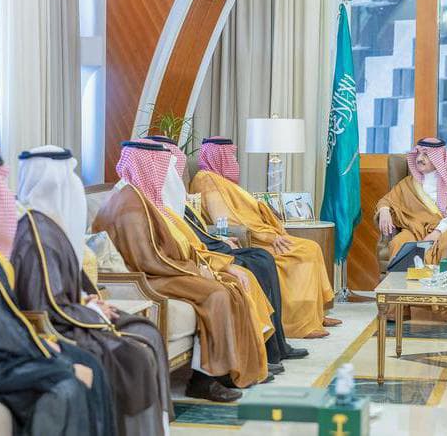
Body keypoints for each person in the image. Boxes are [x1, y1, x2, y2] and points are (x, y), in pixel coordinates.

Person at [92, 139, 272, 402]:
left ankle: (226, 368)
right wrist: (194, 271)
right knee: (216, 294)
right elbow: (147, 260)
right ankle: (203, 379)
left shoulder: (139, 198)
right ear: (146, 167)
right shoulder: (130, 205)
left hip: (159, 271)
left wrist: (199, 267)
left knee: (227, 286)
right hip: (146, 278)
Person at [10, 145, 171, 436]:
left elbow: (68, 284)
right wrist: (92, 309)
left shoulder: (49, 227)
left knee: (147, 333)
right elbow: (44, 306)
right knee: (133, 354)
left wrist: (88, 299)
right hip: (59, 326)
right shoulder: (36, 235)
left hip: (73, 313)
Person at [0, 146, 114, 436]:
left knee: (86, 362)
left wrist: (39, 344)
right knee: (64, 383)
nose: (3, 196)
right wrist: (40, 349)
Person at [146, 135, 309, 367]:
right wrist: (212, 263)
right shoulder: (147, 203)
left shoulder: (163, 200)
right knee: (255, 265)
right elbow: (166, 251)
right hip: (195, 258)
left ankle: (276, 345)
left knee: (262, 258)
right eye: (168, 168)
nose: (174, 174)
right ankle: (263, 351)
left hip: (205, 246)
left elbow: (195, 230)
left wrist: (220, 239)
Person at [189, 137, 339, 339]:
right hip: (253, 239)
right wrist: (268, 236)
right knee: (304, 252)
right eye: (231, 157)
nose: (235, 162)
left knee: (312, 247)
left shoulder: (220, 180)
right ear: (218, 157)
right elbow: (225, 219)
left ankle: (315, 315)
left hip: (262, 235)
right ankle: (299, 323)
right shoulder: (207, 180)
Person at [375, 137, 447, 322]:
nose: (420, 158)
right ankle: (400, 304)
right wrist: (384, 209)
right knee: (400, 242)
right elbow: (387, 200)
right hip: (416, 229)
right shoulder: (409, 183)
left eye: (426, 155)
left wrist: (437, 232)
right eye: (418, 154)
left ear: (439, 158)